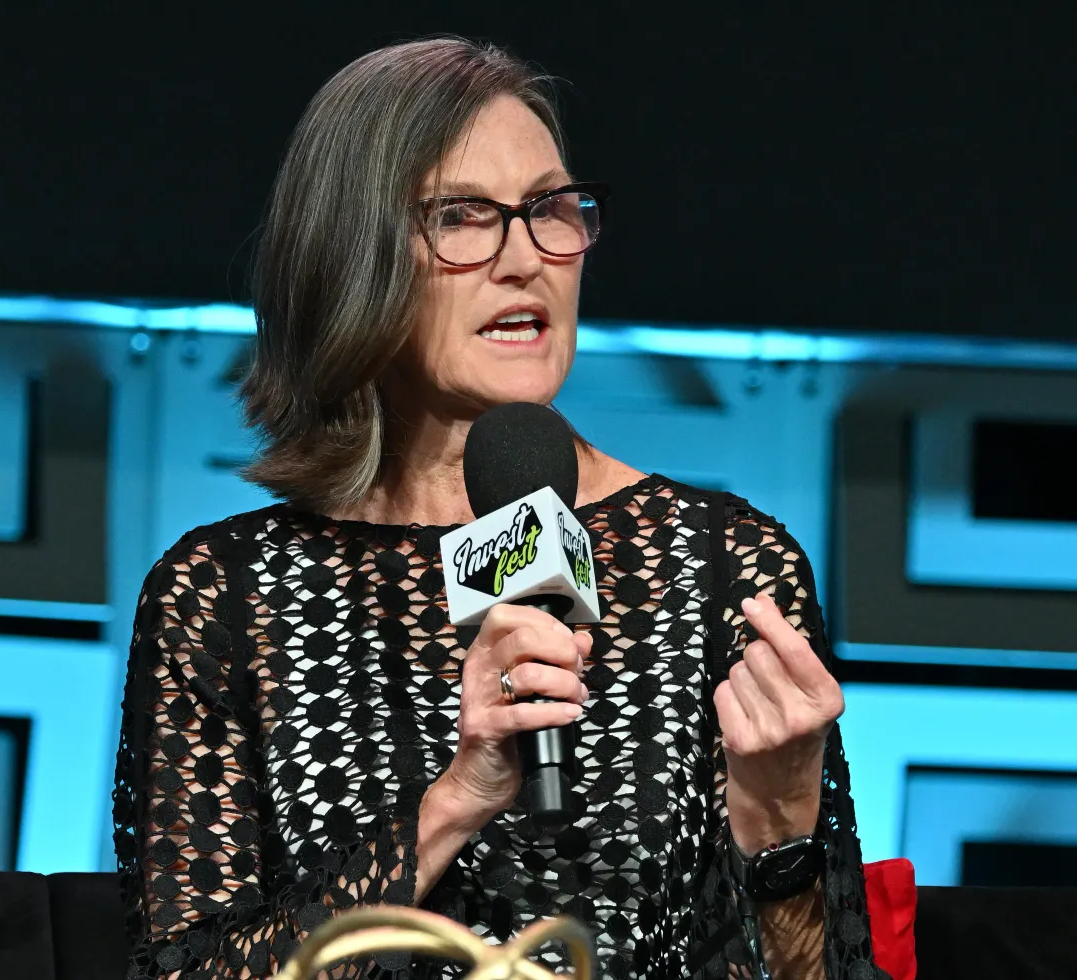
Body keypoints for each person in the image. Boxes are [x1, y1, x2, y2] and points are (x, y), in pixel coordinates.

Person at [113, 38, 885, 980]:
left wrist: (780, 826)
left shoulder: (724, 565)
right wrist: (457, 798)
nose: (526, 259)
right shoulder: (229, 596)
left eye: (551, 210)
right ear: (353, 254)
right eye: (465, 217)